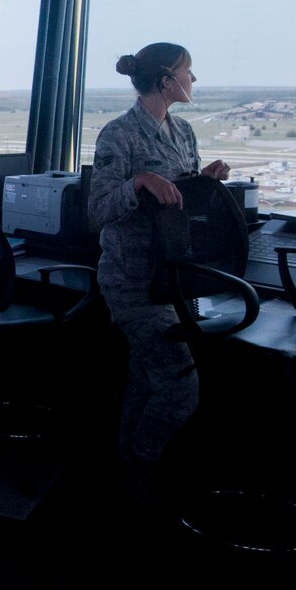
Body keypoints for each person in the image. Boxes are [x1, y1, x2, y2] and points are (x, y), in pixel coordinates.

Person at [85, 43, 231, 504]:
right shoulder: (119, 136)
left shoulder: (183, 132)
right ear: (167, 80)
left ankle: (126, 476)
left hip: (171, 276)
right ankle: (145, 463)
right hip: (132, 281)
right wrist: (137, 182)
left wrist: (202, 182)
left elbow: (177, 199)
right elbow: (97, 211)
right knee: (179, 388)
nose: (194, 80)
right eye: (188, 72)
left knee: (146, 381)